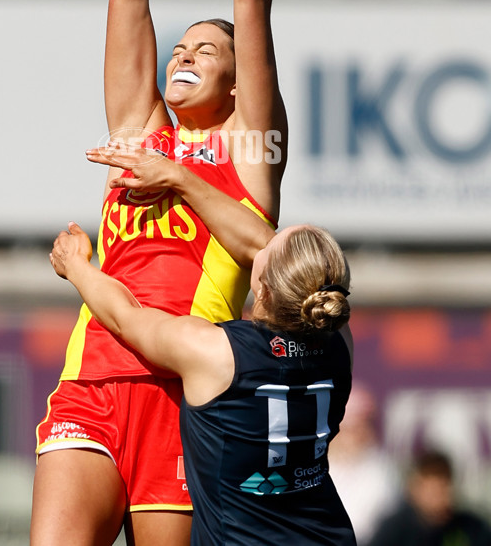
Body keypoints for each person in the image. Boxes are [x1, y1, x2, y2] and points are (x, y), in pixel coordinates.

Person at [31, 0, 302, 546]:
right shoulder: (140, 131)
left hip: (189, 395)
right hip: (94, 381)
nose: (183, 55)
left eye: (204, 51)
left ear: (242, 85)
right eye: (179, 47)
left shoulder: (250, 148)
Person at [49, 219, 356, 546]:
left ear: (263, 287)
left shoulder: (215, 352)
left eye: (266, 248)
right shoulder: (341, 346)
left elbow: (124, 317)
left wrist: (75, 265)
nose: (260, 245)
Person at [327, 383, 402, 544]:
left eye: (361, 425)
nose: (355, 435)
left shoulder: (382, 470)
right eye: (348, 427)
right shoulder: (315, 469)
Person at [368, 449, 491, 546]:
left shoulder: (473, 528)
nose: (439, 498)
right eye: (432, 491)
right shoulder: (394, 530)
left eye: (443, 488)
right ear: (414, 490)